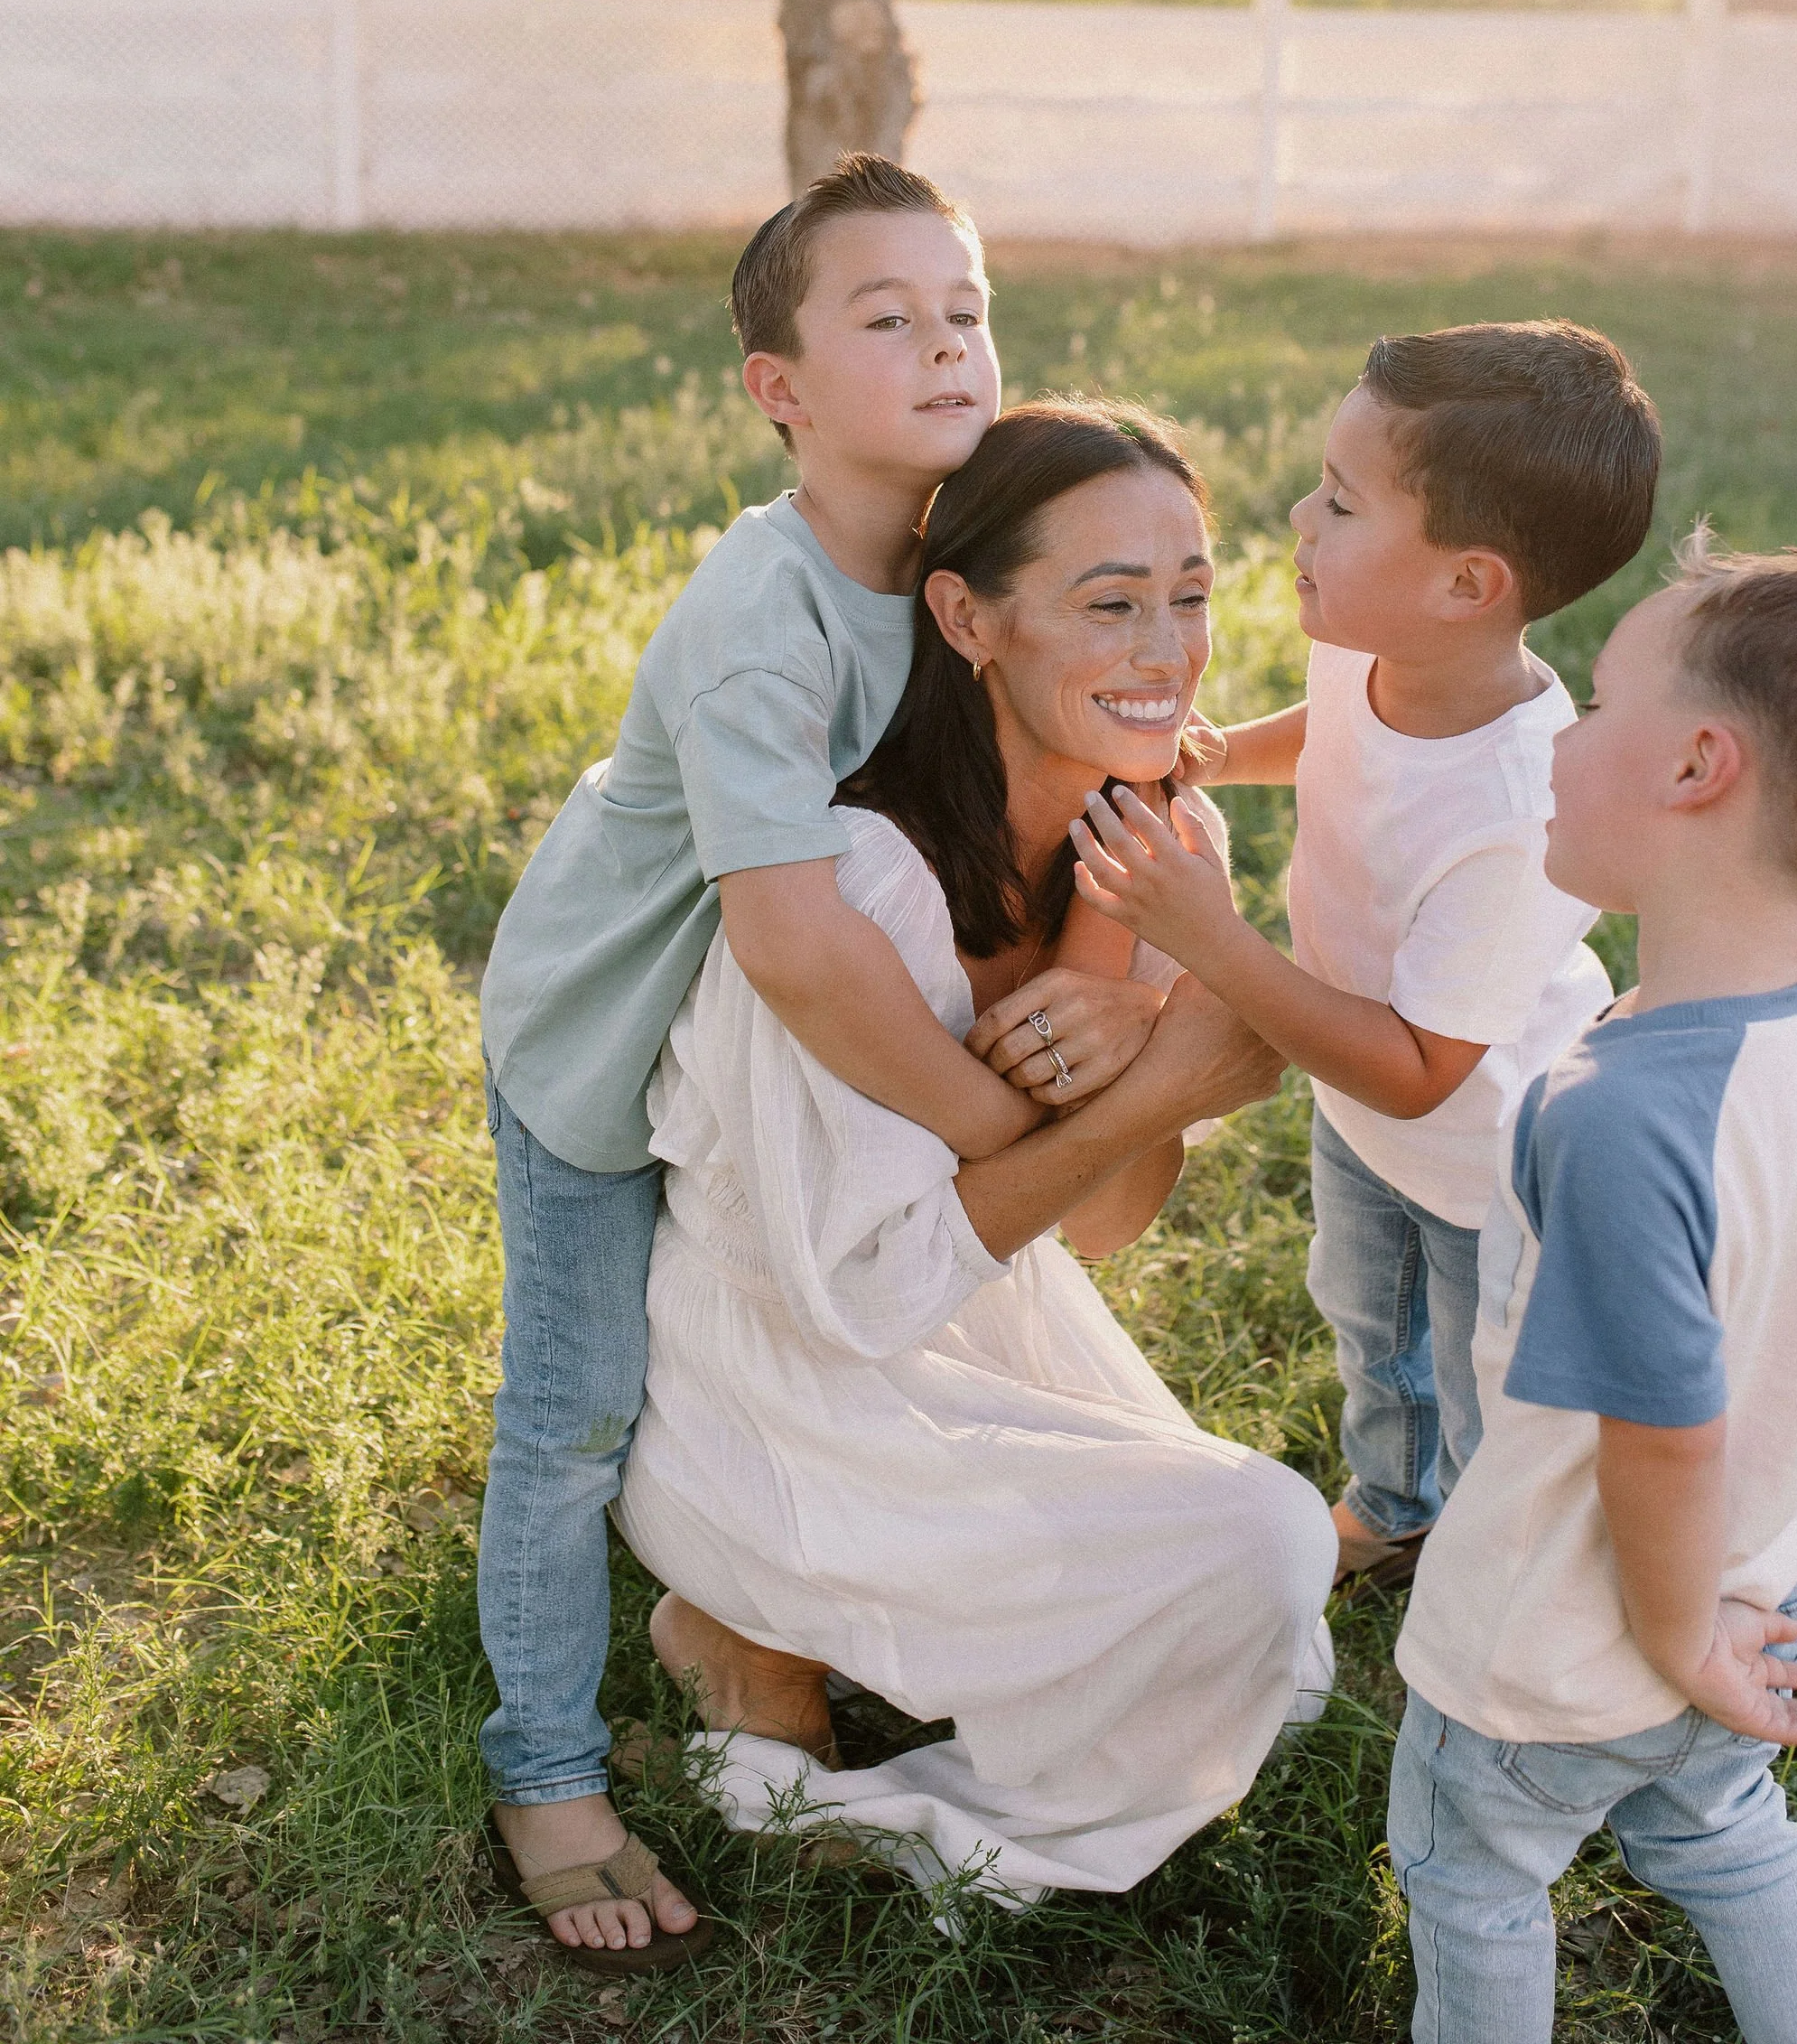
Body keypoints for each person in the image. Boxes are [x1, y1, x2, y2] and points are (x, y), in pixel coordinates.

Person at [477, 157, 1114, 1969]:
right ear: (780, 391)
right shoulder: (764, 613)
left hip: (779, 1074)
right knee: (577, 1400)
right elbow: (792, 940)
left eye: (967, 309)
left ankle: (755, 1602)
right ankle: (542, 1769)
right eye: (885, 318)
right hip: (612, 1053)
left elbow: (1115, 718)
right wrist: (1000, 1131)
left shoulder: (969, 569)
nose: (945, 345)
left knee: (782, 1335)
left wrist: (1119, 964)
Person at [615, 403, 1338, 1903]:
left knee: (1277, 1625)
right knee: (1262, 1541)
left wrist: (1138, 1027)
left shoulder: (1147, 842)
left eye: (1192, 595)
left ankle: (797, 1624)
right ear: (966, 616)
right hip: (777, 1375)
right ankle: (746, 1611)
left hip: (973, 1324)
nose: (1170, 650)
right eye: (1110, 601)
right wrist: (1161, 1083)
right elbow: (861, 1296)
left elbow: (1110, 1223)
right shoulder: (860, 876)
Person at [1067, 322, 1661, 1579]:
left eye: (1339, 502)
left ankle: (1501, 1564)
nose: (1297, 515)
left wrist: (1209, 939)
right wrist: (1231, 749)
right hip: (1361, 1107)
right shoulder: (1369, 644)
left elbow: (1419, 1070)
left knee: (1475, 1361)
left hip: (1485, 1158)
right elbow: (1336, 737)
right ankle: (1395, 1506)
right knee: (1363, 1315)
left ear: (1466, 583)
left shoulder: (1520, 806)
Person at [1388, 539, 1797, 2044]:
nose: (1560, 739)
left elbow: (1664, 1432)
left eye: (1595, 704)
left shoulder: (1622, 1116)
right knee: (1726, 1835)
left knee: (1472, 1884)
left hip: (1571, 1639)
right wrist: (1722, 1628)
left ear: (1697, 767)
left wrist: (1674, 1646)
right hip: (1764, 1578)